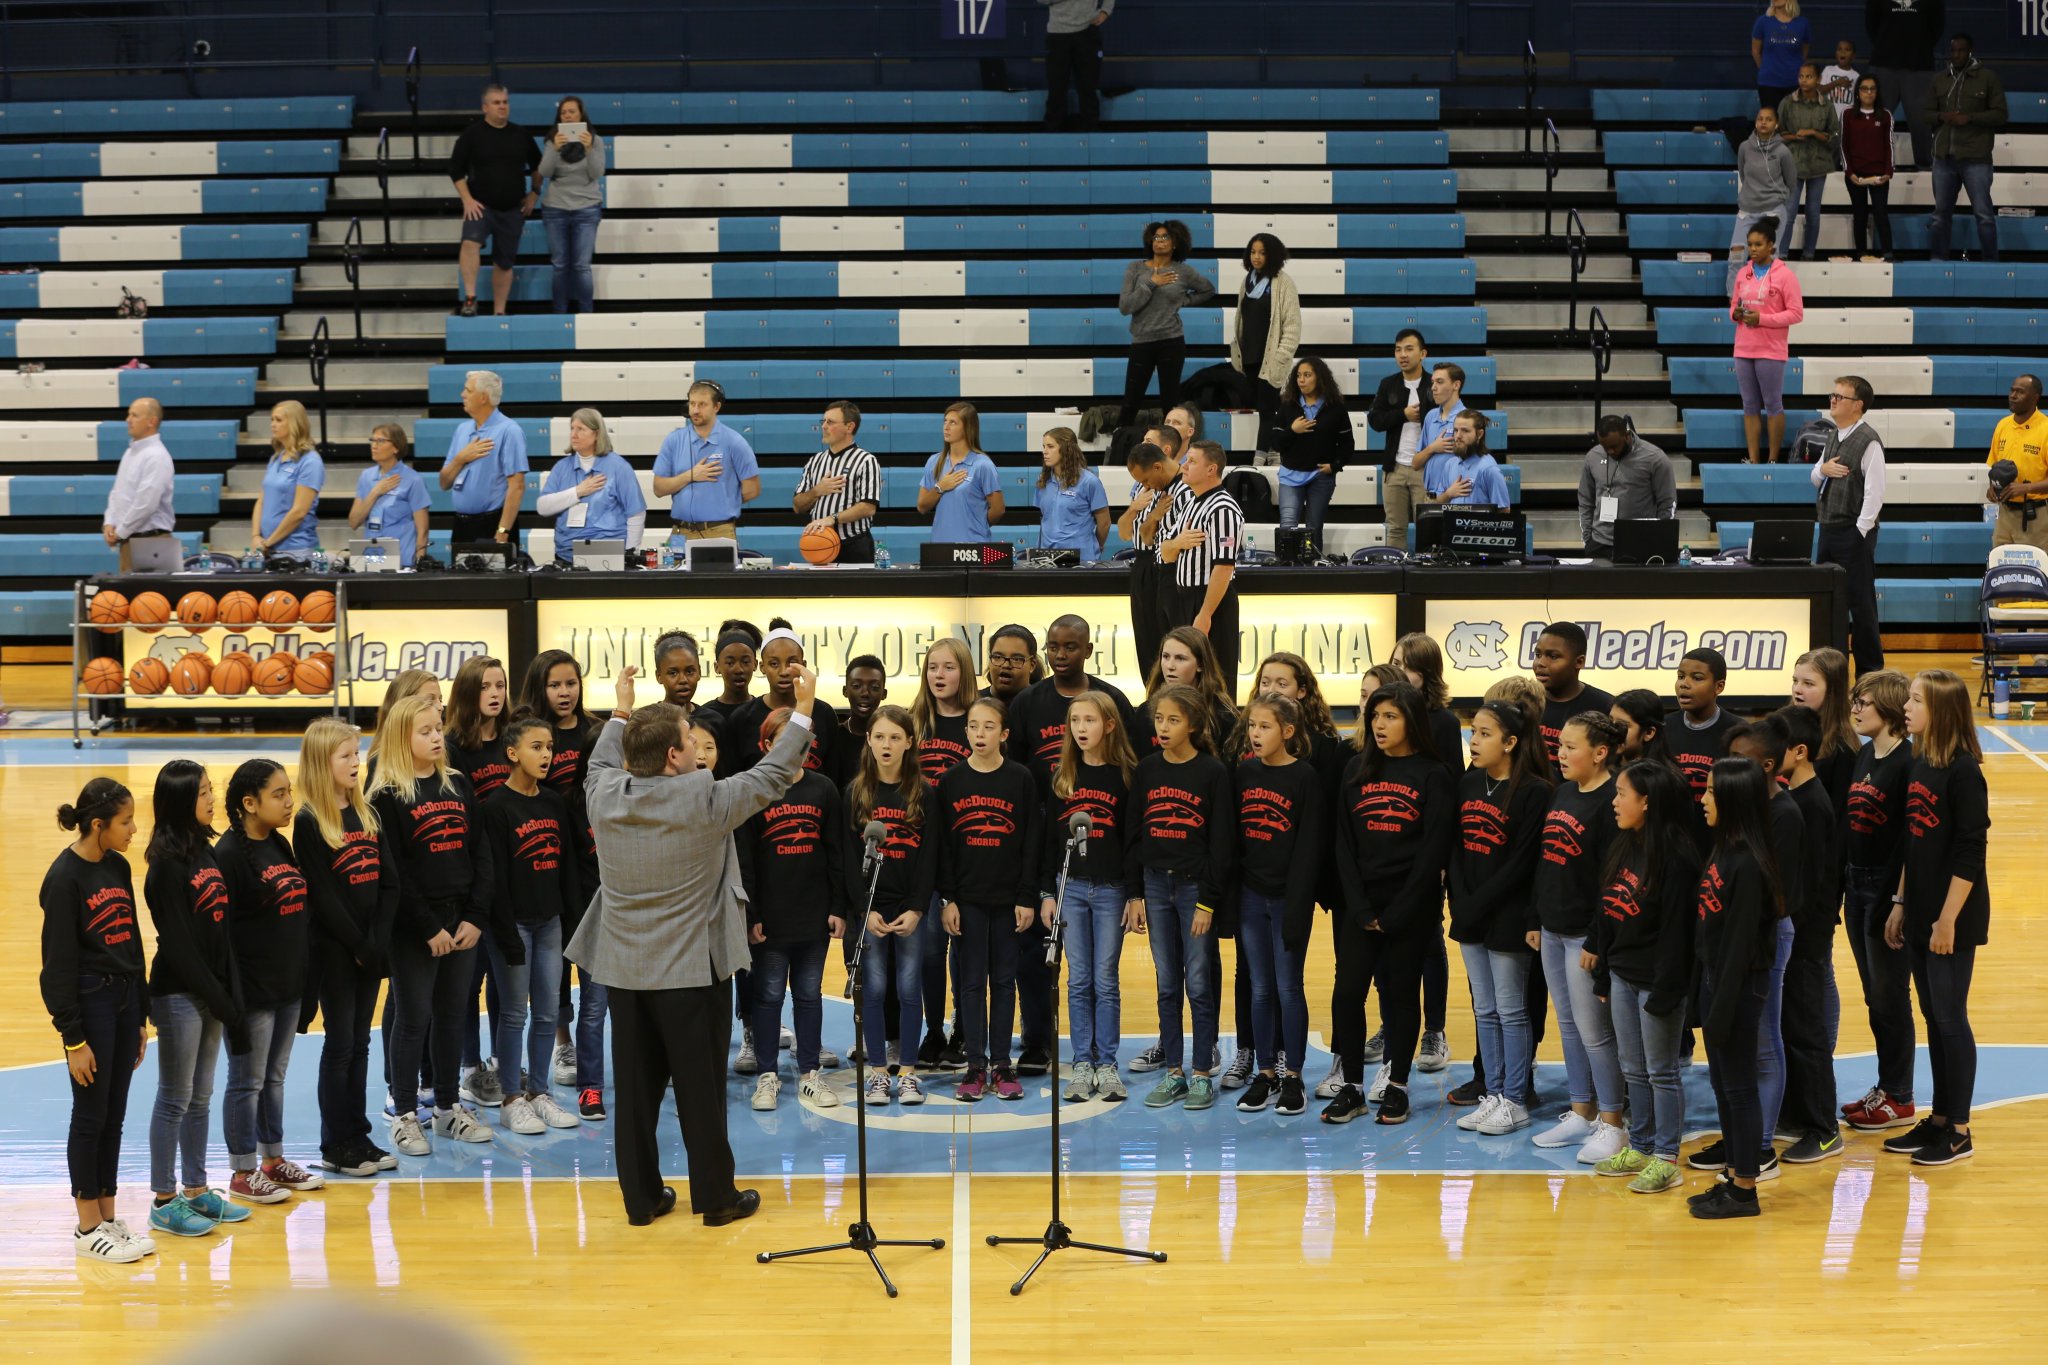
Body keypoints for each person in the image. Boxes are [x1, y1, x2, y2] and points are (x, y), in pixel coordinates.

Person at [568, 662, 821, 1227]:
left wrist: (621, 711)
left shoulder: (604, 795)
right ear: (672, 759)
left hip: (625, 971)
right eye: (689, 743)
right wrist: (803, 708)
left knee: (634, 1095)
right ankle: (715, 1198)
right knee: (699, 1091)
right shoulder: (704, 801)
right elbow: (776, 772)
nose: (699, 752)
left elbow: (600, 761)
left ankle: (641, 1200)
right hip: (691, 972)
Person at [1324, 682, 1455, 1125]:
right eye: (1375, 716)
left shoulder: (1433, 775)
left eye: (1391, 717)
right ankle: (1353, 1088)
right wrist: (1359, 907)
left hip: (1410, 907)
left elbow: (1432, 852)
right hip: (1360, 906)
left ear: (1412, 721)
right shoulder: (1357, 768)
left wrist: (1398, 911)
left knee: (1400, 997)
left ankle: (1397, 1085)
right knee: (1346, 997)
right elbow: (1342, 843)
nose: (1379, 724)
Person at [368, 697, 494, 1156]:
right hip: (414, 930)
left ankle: (445, 1108)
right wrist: (426, 928)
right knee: (413, 1018)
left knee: (451, 1017)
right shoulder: (386, 795)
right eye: (425, 731)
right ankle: (404, 1115)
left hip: (460, 921)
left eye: (438, 728)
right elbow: (393, 871)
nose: (438, 736)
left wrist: (476, 917)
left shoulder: (457, 784)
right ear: (404, 739)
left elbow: (481, 852)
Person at [142, 761, 255, 1237]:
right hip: (179, 993)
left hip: (211, 991)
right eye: (204, 792)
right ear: (180, 800)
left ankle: (196, 1189)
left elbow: (219, 931)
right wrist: (221, 1000)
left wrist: (232, 994)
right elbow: (182, 948)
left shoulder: (203, 852)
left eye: (212, 790)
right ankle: (164, 1201)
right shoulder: (165, 867)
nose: (213, 799)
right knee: (175, 1097)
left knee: (201, 1097)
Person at [42, 777, 153, 1263]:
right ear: (97, 824)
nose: (133, 829)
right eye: (126, 821)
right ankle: (87, 1226)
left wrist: (142, 1014)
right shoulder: (64, 879)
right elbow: (57, 965)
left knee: (114, 1113)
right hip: (91, 1005)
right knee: (90, 1114)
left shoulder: (117, 865)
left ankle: (108, 1217)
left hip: (125, 1002)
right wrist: (73, 1038)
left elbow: (131, 944)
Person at [1882, 668, 1988, 1166]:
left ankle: (1960, 1130)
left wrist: (1947, 920)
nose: (1907, 706)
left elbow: (1970, 853)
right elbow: (1912, 842)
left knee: (1950, 1019)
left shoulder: (1965, 771)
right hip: (1922, 910)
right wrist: (1902, 904)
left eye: (1916, 699)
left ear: (1940, 709)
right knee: (1933, 1017)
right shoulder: (1921, 761)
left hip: (1953, 917)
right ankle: (1941, 1118)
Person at [1588, 761, 1702, 1193]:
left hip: (1657, 983)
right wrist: (1604, 975)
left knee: (1661, 1072)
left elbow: (1678, 935)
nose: (1614, 801)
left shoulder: (1677, 857)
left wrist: (1668, 993)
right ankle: (1640, 1146)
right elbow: (1609, 914)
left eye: (1622, 794)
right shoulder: (1625, 844)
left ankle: (1666, 1157)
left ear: (1647, 802)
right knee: (1633, 1068)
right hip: (1622, 975)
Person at [293, 721, 397, 1178]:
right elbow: (323, 896)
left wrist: (376, 940)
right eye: (346, 756)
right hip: (335, 952)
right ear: (322, 763)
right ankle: (336, 1143)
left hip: (370, 950)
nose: (356, 763)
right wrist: (358, 943)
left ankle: (358, 1134)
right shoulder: (309, 820)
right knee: (339, 1046)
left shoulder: (367, 812)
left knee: (360, 1044)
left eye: (357, 755)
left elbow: (390, 882)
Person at [216, 759, 323, 1201]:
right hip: (252, 992)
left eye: (288, 791)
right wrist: (233, 999)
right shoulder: (226, 856)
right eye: (278, 794)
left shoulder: (279, 843)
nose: (289, 801)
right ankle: (242, 1173)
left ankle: (272, 1160)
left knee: (273, 1078)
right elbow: (220, 937)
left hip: (287, 986)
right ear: (249, 803)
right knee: (247, 1081)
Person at [1447, 700, 1552, 1137]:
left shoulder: (1535, 791)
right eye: (1474, 732)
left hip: (1508, 915)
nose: (1475, 740)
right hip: (1470, 911)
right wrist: (1460, 898)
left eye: (1486, 733)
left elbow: (1524, 862)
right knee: (1484, 1009)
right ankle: (1492, 1094)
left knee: (1511, 1010)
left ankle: (1515, 1097)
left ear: (1511, 742)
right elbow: (1454, 848)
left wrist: (1478, 902)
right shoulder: (1468, 783)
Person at [736, 706, 847, 1110]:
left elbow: (837, 853)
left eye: (801, 743)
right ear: (765, 746)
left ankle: (809, 1073)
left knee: (808, 994)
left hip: (813, 915)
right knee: (766, 996)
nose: (794, 752)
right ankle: (767, 1073)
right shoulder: (753, 791)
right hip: (770, 919)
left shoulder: (824, 789)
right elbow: (744, 861)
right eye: (783, 743)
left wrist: (838, 907)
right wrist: (752, 916)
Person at [1530, 712, 1628, 1164]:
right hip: (1552, 930)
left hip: (1585, 938)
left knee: (1595, 1033)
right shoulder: (1564, 791)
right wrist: (1536, 918)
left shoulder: (1612, 800)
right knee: (1568, 1027)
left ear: (1601, 752)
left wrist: (1595, 940)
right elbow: (1546, 861)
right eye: (1560, 745)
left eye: (1571, 747)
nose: (1560, 753)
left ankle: (1612, 1123)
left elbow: (1612, 883)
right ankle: (1580, 1110)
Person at [1132, 684, 1234, 1112]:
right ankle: (1174, 1071)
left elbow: (1222, 844)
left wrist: (1208, 902)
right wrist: (1136, 893)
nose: (1164, 727)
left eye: (1173, 720)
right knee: (1167, 981)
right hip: (1155, 886)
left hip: (1194, 889)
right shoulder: (1147, 770)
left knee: (1198, 983)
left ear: (1193, 724)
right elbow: (1133, 836)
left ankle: (1202, 1074)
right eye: (1159, 719)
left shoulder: (1212, 772)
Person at [1689, 758, 1783, 1220]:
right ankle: (1732, 1173)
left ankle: (1746, 1188)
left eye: (1710, 792)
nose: (1702, 799)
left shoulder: (1748, 865)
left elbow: (1741, 947)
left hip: (1738, 989)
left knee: (1740, 1088)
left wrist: (1721, 1009)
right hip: (1715, 984)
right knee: (1724, 1086)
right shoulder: (1723, 849)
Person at [937, 697, 1042, 1103]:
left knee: (1003, 981)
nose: (980, 734)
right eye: (974, 727)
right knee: (969, 984)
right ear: (966, 732)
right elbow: (943, 848)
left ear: (1004, 733)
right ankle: (975, 1065)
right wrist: (948, 899)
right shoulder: (950, 781)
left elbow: (1031, 841)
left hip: (1008, 900)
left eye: (988, 727)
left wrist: (1027, 896)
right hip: (967, 901)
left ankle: (1001, 1064)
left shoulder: (1021, 779)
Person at [481, 717, 584, 1134]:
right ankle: (510, 1098)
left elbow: (567, 868)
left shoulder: (554, 802)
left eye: (549, 747)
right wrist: (505, 933)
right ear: (512, 753)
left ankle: (539, 1093)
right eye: (536, 747)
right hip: (512, 926)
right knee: (513, 1014)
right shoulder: (494, 807)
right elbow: (495, 877)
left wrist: (572, 920)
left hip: (550, 924)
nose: (546, 755)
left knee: (546, 1013)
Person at [516, 650, 605, 1116]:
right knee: (552, 970)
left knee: (586, 965)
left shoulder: (594, 731)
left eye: (571, 683)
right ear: (540, 688)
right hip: (547, 859)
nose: (565, 692)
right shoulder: (528, 732)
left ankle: (581, 1052)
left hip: (588, 859)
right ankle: (562, 1042)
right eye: (555, 685)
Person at [1042, 690, 1142, 1103]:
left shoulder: (1126, 776)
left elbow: (1134, 841)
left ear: (1110, 725)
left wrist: (1135, 895)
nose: (1081, 729)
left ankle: (1108, 1064)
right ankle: (1083, 1062)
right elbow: (1048, 842)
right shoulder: (1062, 776)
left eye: (1090, 721)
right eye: (1075, 721)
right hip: (1073, 890)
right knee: (1078, 978)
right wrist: (1049, 892)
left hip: (1112, 890)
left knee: (1105, 979)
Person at [1231, 692, 1325, 1116]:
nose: (1255, 733)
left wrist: (1298, 907)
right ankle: (1265, 1072)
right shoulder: (1244, 773)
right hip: (1251, 895)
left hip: (1288, 899)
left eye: (1265, 726)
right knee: (1260, 988)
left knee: (1289, 987)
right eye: (1252, 725)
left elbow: (1310, 850)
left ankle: (1294, 1077)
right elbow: (1233, 841)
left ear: (1287, 731)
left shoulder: (1305, 777)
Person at [846, 703, 937, 1099]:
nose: (886, 745)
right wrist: (864, 911)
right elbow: (847, 860)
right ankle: (879, 1071)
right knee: (876, 988)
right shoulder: (855, 792)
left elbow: (931, 856)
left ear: (909, 742)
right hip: (871, 911)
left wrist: (918, 908)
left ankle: (910, 1071)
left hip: (909, 909)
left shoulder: (923, 793)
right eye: (879, 737)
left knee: (908, 987)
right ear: (868, 740)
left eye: (895, 738)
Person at [1841, 669, 1917, 1132]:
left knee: (1890, 997)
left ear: (1888, 709)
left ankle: (1900, 1097)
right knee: (1874, 996)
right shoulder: (1867, 752)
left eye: (1862, 703)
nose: (1854, 710)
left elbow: (1912, 840)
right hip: (1856, 884)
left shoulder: (1909, 761)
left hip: (1887, 891)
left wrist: (1900, 901)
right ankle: (1886, 1088)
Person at [1771, 704, 1844, 1164]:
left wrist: (1796, 932)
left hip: (1807, 934)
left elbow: (1815, 880)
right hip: (1798, 931)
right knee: (1790, 1026)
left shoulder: (1812, 803)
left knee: (1806, 1029)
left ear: (1798, 752)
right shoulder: (1794, 796)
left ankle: (1823, 1129)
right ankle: (1799, 1114)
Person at [1811, 374, 1887, 671]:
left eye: (1839, 396)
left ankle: (1870, 672)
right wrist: (1825, 469)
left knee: (1861, 605)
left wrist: (1860, 531)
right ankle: (1833, 669)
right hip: (1828, 529)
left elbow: (1875, 493)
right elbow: (1815, 477)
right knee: (1832, 605)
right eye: (1832, 395)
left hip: (1853, 533)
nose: (1832, 400)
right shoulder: (1833, 435)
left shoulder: (1869, 441)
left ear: (1857, 405)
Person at [1158, 439, 1244, 692]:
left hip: (1210, 600)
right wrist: (1178, 543)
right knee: (1187, 680)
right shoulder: (1190, 504)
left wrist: (1205, 614)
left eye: (1192, 461)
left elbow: (1224, 567)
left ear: (1211, 469)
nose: (1183, 466)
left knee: (1216, 677)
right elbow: (1165, 552)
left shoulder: (1223, 508)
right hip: (1183, 597)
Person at [1007, 614, 1136, 780]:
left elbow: (1128, 759)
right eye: (1053, 648)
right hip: (1041, 802)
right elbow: (1015, 764)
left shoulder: (1112, 699)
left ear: (1088, 650)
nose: (1060, 655)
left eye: (1070, 648)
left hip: (1101, 800)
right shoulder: (1026, 701)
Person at [448, 84, 540, 318]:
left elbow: (538, 166)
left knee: (505, 263)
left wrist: (535, 193)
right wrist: (467, 199)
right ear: (485, 107)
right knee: (470, 243)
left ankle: (500, 312)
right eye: (497, 102)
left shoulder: (521, 134)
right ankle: (470, 299)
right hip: (481, 205)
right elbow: (455, 170)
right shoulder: (472, 135)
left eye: (505, 102)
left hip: (512, 208)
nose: (502, 106)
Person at [1116, 220, 1215, 429]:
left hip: (1171, 341)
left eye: (1165, 237)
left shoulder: (1183, 271)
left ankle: (1172, 452)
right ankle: (1118, 448)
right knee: (1130, 401)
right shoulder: (1135, 268)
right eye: (1156, 237)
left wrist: (1184, 300)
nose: (1159, 241)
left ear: (1176, 243)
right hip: (1141, 341)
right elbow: (1125, 306)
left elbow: (1208, 290)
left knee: (1169, 402)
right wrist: (1152, 283)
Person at [1923, 33, 2006, 263]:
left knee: (1984, 214)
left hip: (1976, 158)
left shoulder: (1988, 78)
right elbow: (1925, 113)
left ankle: (1990, 262)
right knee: (1940, 215)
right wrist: (1942, 115)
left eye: (1960, 50)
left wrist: (1969, 118)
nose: (1956, 55)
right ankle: (1938, 259)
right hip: (1943, 158)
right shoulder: (1940, 79)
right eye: (1953, 51)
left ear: (1970, 51)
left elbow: (2001, 114)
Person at [1730, 216, 1804, 465]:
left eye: (1758, 244)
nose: (1752, 249)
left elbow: (1796, 313)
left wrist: (1762, 318)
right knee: (1749, 405)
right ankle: (1753, 459)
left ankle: (1773, 458)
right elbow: (1733, 307)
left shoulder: (1786, 277)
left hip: (1771, 350)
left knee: (1773, 404)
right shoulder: (1743, 274)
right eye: (1750, 244)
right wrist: (1736, 314)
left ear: (1772, 245)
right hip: (1743, 348)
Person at [654, 380, 759, 543]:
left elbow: (752, 489)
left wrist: (723, 501)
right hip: (679, 532)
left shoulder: (734, 442)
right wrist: (690, 476)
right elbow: (658, 488)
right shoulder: (673, 441)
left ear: (716, 407)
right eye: (692, 403)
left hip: (719, 531)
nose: (695, 410)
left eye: (702, 404)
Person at [1217, 232, 1300, 437]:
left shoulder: (1283, 283)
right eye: (1253, 252)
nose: (1256, 257)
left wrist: (1281, 357)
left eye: (1262, 253)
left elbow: (1292, 325)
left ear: (1272, 255)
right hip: (1249, 357)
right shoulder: (1247, 282)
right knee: (1259, 408)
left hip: (1271, 358)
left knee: (1267, 410)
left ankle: (1262, 458)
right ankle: (1271, 451)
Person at [537, 407, 646, 559]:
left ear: (596, 434)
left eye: (581, 429)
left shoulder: (618, 467)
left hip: (607, 556)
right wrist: (577, 492)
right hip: (566, 555)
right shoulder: (561, 467)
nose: (573, 434)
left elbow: (636, 513)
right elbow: (543, 507)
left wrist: (629, 553)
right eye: (572, 428)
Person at [1267, 355, 1353, 542]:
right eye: (1298, 376)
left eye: (1307, 375)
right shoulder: (1287, 406)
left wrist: (1335, 465)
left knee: (1314, 528)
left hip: (1320, 477)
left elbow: (1347, 445)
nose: (1301, 380)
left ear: (1320, 378)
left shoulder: (1336, 408)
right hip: (1290, 476)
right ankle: (1287, 570)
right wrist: (1292, 430)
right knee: (1287, 527)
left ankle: (1313, 569)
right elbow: (1275, 443)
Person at [439, 369, 530, 546]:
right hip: (461, 526)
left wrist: (502, 533)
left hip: (492, 526)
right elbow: (443, 483)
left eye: (468, 390)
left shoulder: (509, 431)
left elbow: (517, 486)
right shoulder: (462, 430)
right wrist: (460, 459)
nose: (462, 394)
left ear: (483, 397)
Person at [1119, 438, 1185, 679]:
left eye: (1145, 479)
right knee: (1146, 640)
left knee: (1168, 642)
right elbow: (1133, 533)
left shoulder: (1182, 488)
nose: (1144, 485)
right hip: (1145, 564)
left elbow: (1151, 538)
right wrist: (1141, 511)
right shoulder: (1143, 488)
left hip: (1171, 570)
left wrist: (1153, 519)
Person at [536, 96, 603, 315]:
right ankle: (559, 315)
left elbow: (596, 173)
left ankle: (586, 315)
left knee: (582, 266)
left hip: (586, 208)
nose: (568, 115)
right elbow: (544, 172)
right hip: (556, 209)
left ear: (581, 115)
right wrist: (554, 149)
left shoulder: (595, 140)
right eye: (564, 112)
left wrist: (590, 149)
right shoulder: (551, 140)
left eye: (572, 111)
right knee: (560, 266)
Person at [1366, 328, 1432, 550]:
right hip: (1394, 468)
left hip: (1426, 469)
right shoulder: (1388, 384)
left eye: (1409, 349)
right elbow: (1375, 420)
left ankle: (1425, 578)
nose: (1402, 355)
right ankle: (1396, 578)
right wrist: (1402, 415)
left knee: (1428, 528)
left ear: (1423, 354)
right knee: (1395, 528)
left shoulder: (1435, 384)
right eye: (1398, 350)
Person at [793, 399, 882, 564]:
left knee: (855, 591)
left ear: (849, 427)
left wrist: (831, 518)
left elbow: (868, 507)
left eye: (830, 422)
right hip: (819, 542)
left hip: (854, 543)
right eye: (823, 421)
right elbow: (797, 505)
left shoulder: (866, 460)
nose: (824, 426)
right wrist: (817, 491)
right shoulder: (815, 461)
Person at [1578, 414, 1678, 556]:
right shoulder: (1593, 457)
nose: (1609, 452)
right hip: (1599, 543)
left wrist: (1659, 540)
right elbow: (1585, 499)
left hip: (1638, 543)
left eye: (1613, 446)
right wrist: (1587, 539)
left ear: (1627, 435)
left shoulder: (1654, 459)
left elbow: (1667, 504)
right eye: (1604, 447)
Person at [1868, 0, 1944, 170]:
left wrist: (1917, 48)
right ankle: (1874, 163)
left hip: (1919, 65)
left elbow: (1937, 27)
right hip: (1884, 63)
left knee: (1920, 123)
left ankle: (1924, 164)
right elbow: (1872, 26)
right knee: (1877, 119)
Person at [1728, 109, 1798, 292]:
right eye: (1760, 119)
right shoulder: (1744, 147)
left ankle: (1764, 298)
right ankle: (1735, 300)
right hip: (1747, 210)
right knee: (1736, 257)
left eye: (1768, 119)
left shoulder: (1783, 151)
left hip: (1772, 211)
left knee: (1766, 259)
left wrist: (1774, 197)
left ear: (1776, 125)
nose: (1763, 122)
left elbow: (1791, 181)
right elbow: (1743, 174)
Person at [102, 397, 175, 571]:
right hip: (130, 539)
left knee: (151, 596)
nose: (128, 420)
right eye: (129, 415)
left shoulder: (156, 456)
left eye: (134, 415)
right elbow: (117, 492)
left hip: (151, 542)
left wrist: (120, 532)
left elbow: (146, 503)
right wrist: (109, 522)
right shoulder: (130, 452)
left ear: (152, 421)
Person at [1533, 622, 1618, 770]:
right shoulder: (1525, 701)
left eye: (1553, 656)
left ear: (1579, 662)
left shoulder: (1605, 706)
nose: (1540, 663)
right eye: (1538, 655)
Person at [1778, 63, 1841, 260]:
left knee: (1813, 211)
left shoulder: (1827, 106)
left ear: (1818, 79)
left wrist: (1814, 133)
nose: (1804, 80)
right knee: (1789, 211)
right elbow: (1778, 133)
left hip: (1818, 163)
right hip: (1793, 162)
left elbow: (1835, 136)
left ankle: (1809, 253)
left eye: (1809, 76)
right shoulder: (1788, 102)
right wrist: (1795, 137)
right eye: (1801, 76)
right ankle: (1782, 254)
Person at [348, 423, 432, 568]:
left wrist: (419, 564)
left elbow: (422, 530)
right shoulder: (366, 477)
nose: (374, 445)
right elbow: (354, 522)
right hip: (371, 559)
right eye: (372, 440)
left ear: (396, 447)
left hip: (403, 560)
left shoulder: (413, 480)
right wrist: (375, 492)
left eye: (380, 441)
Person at [918, 401, 1003, 542]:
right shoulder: (934, 461)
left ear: (967, 428)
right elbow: (922, 506)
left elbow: (998, 509)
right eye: (945, 421)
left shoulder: (983, 465)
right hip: (941, 547)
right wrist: (940, 487)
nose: (946, 427)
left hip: (974, 546)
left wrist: (978, 524)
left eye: (953, 423)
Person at [252, 401, 323, 558]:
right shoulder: (275, 458)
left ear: (294, 424)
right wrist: (256, 536)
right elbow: (261, 501)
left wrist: (268, 542)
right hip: (267, 548)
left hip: (296, 549)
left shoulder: (310, 461)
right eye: (272, 420)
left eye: (278, 420)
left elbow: (299, 512)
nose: (273, 425)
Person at [1986, 373, 2048, 550]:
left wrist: (2026, 488)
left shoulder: (2045, 429)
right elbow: (1995, 466)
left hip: (2035, 515)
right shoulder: (2003, 425)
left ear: (2035, 397)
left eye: (2020, 392)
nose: (2013, 395)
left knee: (2033, 573)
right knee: (2000, 568)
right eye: (2012, 390)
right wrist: (1992, 487)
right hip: (2004, 514)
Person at [1842, 75, 1897, 262]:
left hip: (1879, 175)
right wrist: (1850, 173)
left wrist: (1888, 173)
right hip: (1855, 175)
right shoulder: (1847, 114)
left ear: (1877, 92)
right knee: (1860, 214)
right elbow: (1843, 145)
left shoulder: (1886, 115)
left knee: (1881, 212)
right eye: (1864, 88)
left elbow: (1889, 145)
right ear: (1858, 92)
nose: (1868, 92)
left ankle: (1888, 252)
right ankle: (1861, 253)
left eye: (1872, 89)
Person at [1035, 425, 1109, 559]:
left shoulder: (1089, 482)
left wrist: (1093, 547)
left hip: (1081, 558)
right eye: (1044, 446)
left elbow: (1104, 523)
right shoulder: (1042, 481)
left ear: (1066, 449)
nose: (1045, 452)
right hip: (1047, 558)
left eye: (1050, 447)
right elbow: (1046, 518)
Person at [446, 655, 513, 800]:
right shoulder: (451, 747)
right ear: (466, 692)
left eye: (500, 686)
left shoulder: (515, 737)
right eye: (484, 687)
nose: (495, 694)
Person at [1039, 0, 1111, 131]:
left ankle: (1091, 129)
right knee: (1056, 86)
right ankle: (1054, 131)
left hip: (1089, 31)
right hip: (1058, 34)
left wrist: (1106, 10)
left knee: (1088, 85)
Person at [1423, 411, 1512, 508]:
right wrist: (1448, 494)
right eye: (1456, 430)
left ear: (1479, 434)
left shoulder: (1489, 469)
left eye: (1465, 431)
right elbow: (1436, 503)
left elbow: (1504, 511)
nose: (1458, 436)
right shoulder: (1450, 464)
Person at [1414, 360, 1466, 485]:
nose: (1433, 387)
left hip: (1454, 498)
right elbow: (1415, 463)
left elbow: (1474, 464)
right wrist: (1432, 448)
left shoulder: (1467, 419)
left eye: (1440, 382)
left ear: (1456, 385)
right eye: (1433, 382)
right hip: (1429, 497)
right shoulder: (1430, 416)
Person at [1752, 0, 1811, 109]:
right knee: (1771, 121)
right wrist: (1766, 68)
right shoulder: (1763, 21)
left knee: (1793, 121)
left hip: (1794, 81)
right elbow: (1755, 52)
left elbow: (1804, 50)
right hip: (1768, 83)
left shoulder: (1802, 23)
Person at [1609, 687, 1681, 773]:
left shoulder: (1665, 779)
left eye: (1621, 725)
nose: (1612, 730)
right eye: (1610, 721)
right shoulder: (1601, 770)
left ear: (1649, 733)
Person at [702, 620, 761, 723]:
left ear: (755, 664)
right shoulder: (705, 716)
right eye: (730, 663)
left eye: (745, 662)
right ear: (717, 667)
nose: (738, 670)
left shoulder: (763, 712)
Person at [841, 653, 888, 749]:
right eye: (856, 686)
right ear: (845, 691)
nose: (865, 693)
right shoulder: (832, 737)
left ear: (884, 694)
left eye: (874, 687)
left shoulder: (891, 739)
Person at [1821, 36, 1863, 116]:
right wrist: (1837, 83)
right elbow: (1818, 91)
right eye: (1839, 49)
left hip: (1846, 118)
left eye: (1847, 50)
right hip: (1828, 117)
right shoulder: (1828, 70)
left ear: (1853, 55)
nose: (1843, 52)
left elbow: (1858, 100)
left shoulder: (1856, 76)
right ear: (1836, 53)